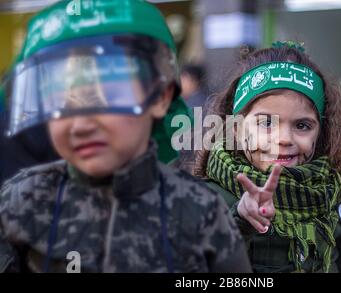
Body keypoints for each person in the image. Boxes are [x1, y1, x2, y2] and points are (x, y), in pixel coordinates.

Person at [0, 0, 251, 273]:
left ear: (161, 96)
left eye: (108, 95)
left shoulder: (201, 212)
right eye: (61, 101)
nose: (80, 124)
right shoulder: (20, 204)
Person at [193, 42, 341, 273]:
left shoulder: (336, 196)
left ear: (321, 132)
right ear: (235, 128)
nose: (284, 139)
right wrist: (240, 223)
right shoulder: (203, 200)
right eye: (266, 123)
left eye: (302, 125)